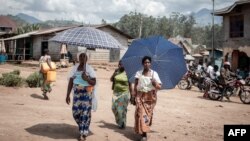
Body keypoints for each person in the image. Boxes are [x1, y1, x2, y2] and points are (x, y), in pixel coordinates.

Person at [66, 52, 96, 141]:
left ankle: (83, 133)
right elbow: (71, 82)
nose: (82, 58)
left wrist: (86, 78)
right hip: (77, 94)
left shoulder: (89, 69)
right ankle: (82, 127)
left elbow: (94, 82)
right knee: (75, 112)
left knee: (85, 113)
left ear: (87, 59)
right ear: (78, 58)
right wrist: (67, 95)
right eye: (81, 57)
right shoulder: (74, 69)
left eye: (84, 57)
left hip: (87, 94)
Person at [132, 56, 162, 141]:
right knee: (141, 113)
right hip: (140, 96)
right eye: (145, 62)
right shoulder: (139, 73)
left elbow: (159, 87)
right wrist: (134, 95)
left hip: (150, 98)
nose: (147, 64)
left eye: (148, 62)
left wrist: (155, 83)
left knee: (147, 116)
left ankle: (144, 129)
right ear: (142, 64)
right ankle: (144, 134)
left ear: (150, 64)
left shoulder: (154, 74)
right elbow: (136, 85)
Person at [110, 60, 132, 129]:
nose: (120, 66)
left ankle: (122, 123)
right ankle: (119, 121)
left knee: (121, 109)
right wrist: (114, 74)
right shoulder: (116, 71)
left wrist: (132, 95)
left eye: (121, 64)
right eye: (119, 64)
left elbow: (130, 85)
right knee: (113, 108)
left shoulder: (128, 73)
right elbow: (111, 79)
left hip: (124, 94)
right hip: (116, 93)